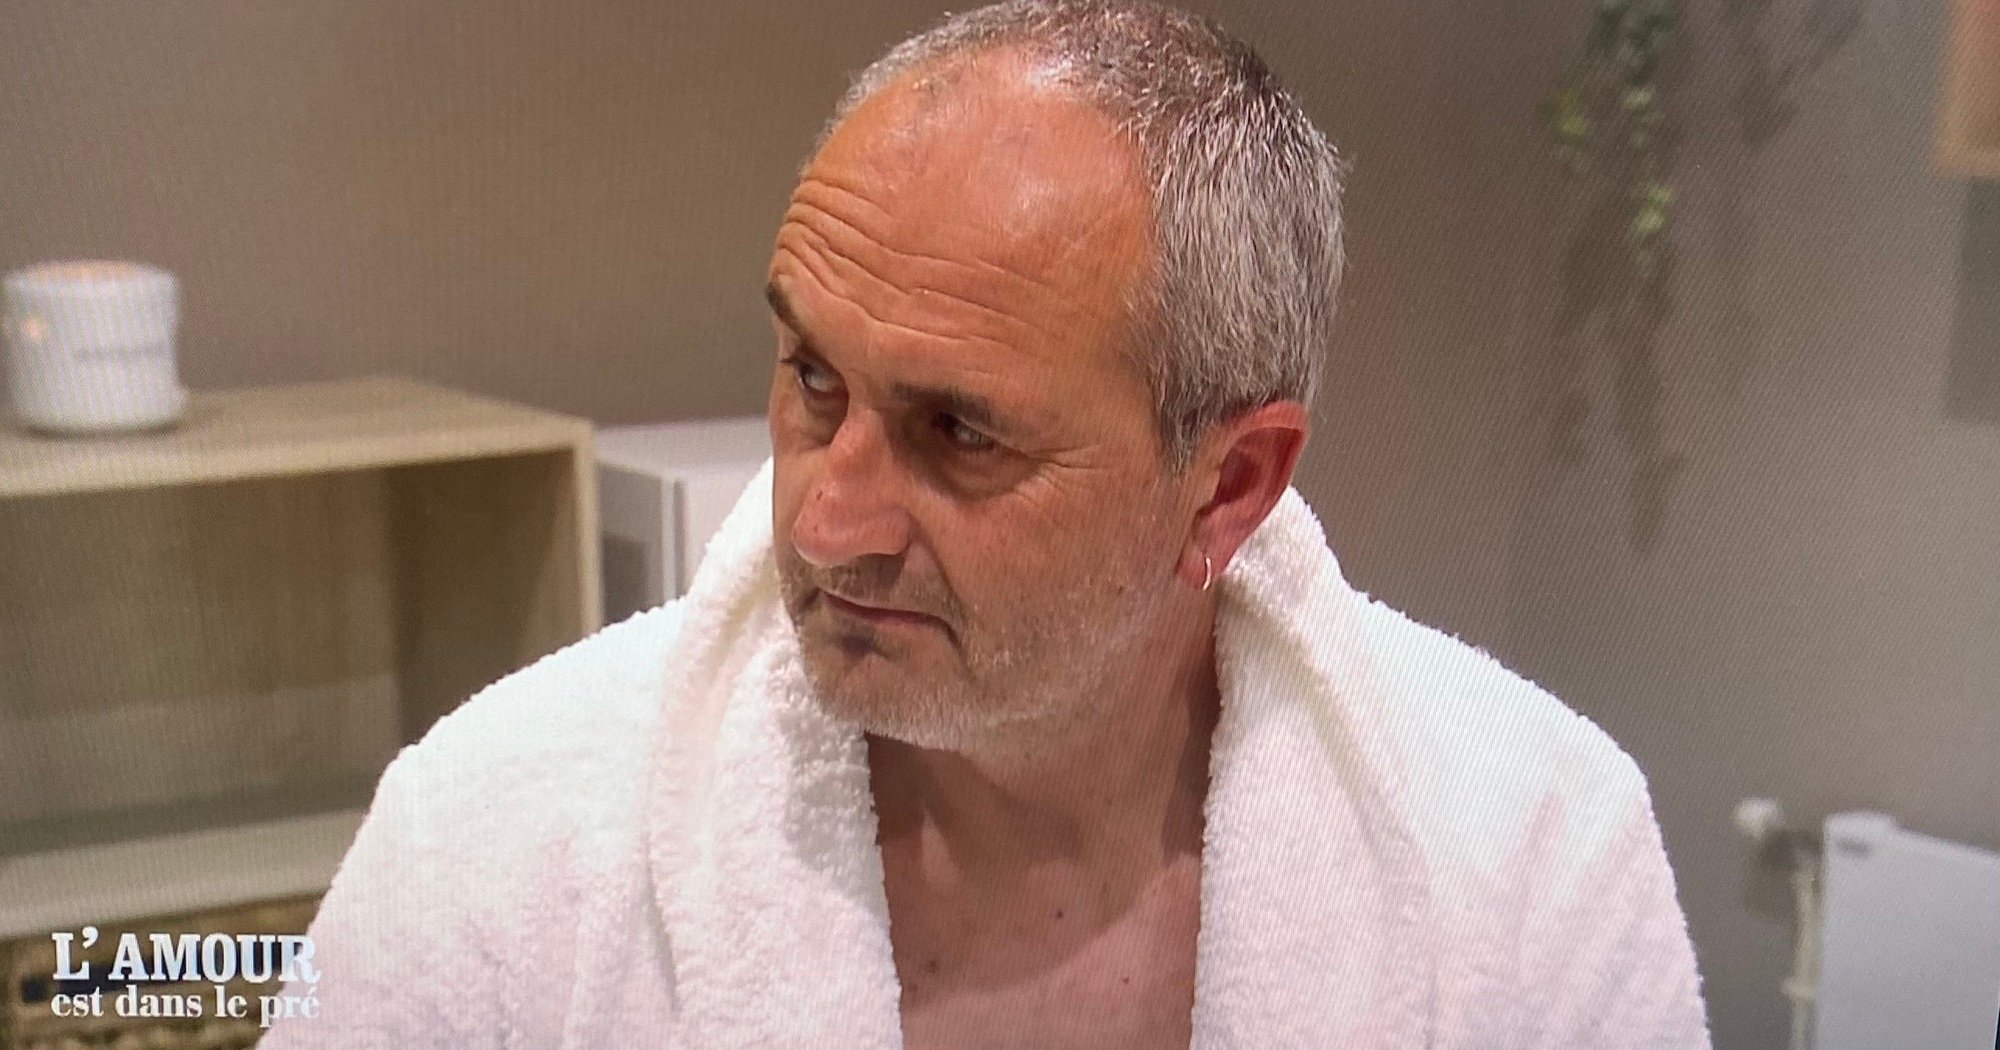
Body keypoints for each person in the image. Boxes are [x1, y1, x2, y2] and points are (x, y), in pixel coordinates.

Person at [267, 2, 1710, 1047]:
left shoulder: (1532, 857)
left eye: (961, 434)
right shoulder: (494, 838)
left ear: (1228, 486)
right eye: (812, 379)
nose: (825, 523)